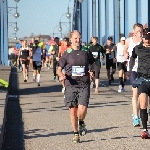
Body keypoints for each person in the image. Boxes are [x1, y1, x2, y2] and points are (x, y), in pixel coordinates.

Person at [57, 30, 95, 143]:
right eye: (75, 38)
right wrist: (61, 75)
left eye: (79, 38)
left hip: (84, 83)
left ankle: (81, 122)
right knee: (73, 110)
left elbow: (92, 63)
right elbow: (59, 69)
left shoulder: (86, 51)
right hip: (71, 84)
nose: (78, 40)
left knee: (82, 109)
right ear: (71, 40)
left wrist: (91, 71)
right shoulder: (67, 53)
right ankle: (76, 133)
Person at [130, 28, 150, 139]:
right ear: (143, 37)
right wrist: (130, 69)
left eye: (149, 39)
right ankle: (145, 130)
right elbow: (132, 58)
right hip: (143, 79)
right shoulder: (138, 48)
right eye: (146, 38)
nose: (147, 41)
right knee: (143, 103)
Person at [124, 23, 143, 126]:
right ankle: (136, 117)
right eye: (137, 31)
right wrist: (125, 53)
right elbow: (125, 49)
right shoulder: (129, 40)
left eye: (140, 31)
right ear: (133, 31)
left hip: (143, 69)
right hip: (132, 69)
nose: (139, 33)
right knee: (135, 92)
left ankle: (137, 113)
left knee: (141, 95)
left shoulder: (144, 41)